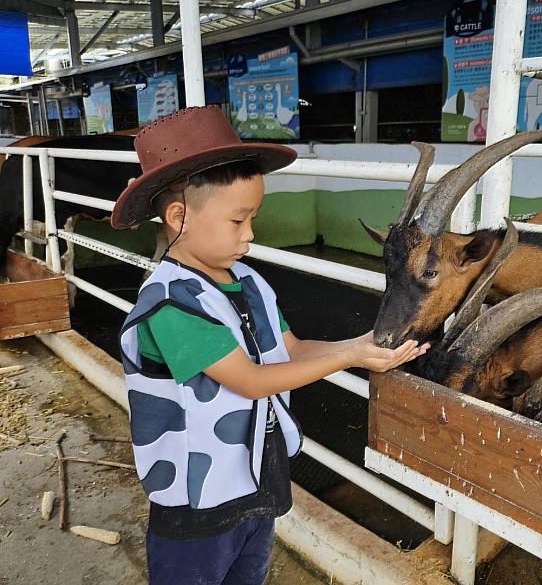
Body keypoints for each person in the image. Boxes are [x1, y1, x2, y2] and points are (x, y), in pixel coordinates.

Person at [111, 106, 428, 585]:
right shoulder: (170, 304)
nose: (251, 234)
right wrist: (349, 357)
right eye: (237, 220)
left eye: (253, 217)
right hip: (197, 498)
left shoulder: (250, 282)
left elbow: (293, 351)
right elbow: (252, 382)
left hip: (259, 474)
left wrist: (361, 342)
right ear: (179, 216)